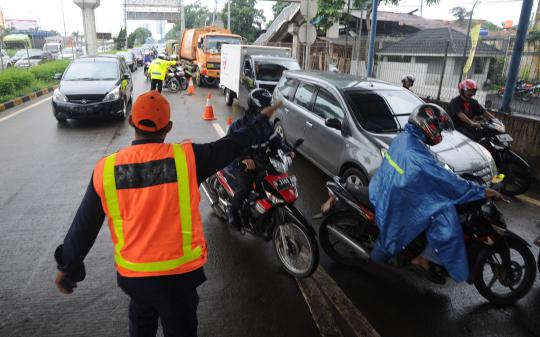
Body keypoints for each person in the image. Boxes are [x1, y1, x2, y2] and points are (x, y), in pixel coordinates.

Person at [54, 91, 283, 337]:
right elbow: (235, 142)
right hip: (180, 279)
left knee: (141, 323)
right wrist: (263, 119)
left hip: (136, 277)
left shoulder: (107, 169)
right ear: (168, 127)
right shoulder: (188, 159)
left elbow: (84, 225)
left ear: (131, 121)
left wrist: (68, 267)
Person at [369, 104, 502, 283]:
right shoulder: (417, 153)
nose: (440, 132)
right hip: (399, 198)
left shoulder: (406, 138)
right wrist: (481, 191)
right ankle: (422, 259)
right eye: (438, 127)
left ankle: (423, 254)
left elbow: (432, 168)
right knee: (446, 216)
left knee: (439, 206)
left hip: (386, 186)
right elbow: (447, 181)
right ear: (427, 125)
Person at [226, 88, 292, 230]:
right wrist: (243, 159)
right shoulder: (239, 125)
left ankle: (261, 214)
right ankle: (233, 213)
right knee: (246, 186)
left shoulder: (267, 125)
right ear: (255, 109)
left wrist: (287, 152)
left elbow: (276, 142)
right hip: (240, 164)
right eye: (265, 108)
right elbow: (229, 147)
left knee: (272, 184)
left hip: (260, 162)